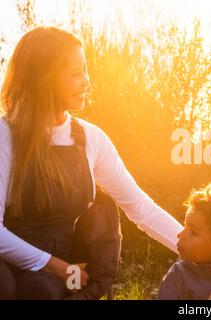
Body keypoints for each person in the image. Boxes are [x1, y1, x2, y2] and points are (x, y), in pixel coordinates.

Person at [0, 26, 183, 300]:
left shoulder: (90, 138)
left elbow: (142, 209)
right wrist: (56, 266)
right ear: (43, 79)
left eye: (85, 71)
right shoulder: (5, 134)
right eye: (76, 73)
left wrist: (204, 250)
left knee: (43, 290)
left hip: (64, 269)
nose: (86, 81)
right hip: (12, 264)